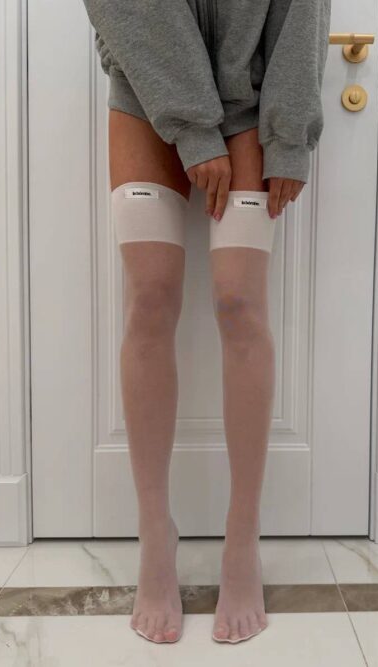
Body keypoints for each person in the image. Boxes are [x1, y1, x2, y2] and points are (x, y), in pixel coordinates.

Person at [82, 0, 331, 645]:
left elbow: (304, 14)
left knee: (239, 303)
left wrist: (289, 137)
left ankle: (242, 537)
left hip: (250, 99)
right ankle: (154, 536)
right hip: (146, 87)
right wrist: (194, 130)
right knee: (151, 297)